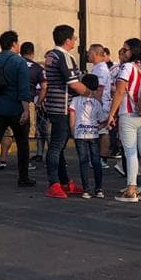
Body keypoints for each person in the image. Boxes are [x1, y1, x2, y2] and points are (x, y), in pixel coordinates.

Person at [0, 30, 34, 190]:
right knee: (23, 143)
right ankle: (23, 177)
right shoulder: (19, 62)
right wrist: (26, 110)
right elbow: (24, 88)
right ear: (14, 44)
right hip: (16, 108)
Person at [106, 38, 141, 204]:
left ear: (133, 51)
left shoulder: (127, 67)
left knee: (130, 152)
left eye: (125, 49)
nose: (123, 51)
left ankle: (131, 189)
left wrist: (111, 114)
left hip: (129, 112)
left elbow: (120, 92)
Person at [43, 25, 88, 198]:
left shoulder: (51, 55)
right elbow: (74, 83)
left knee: (59, 146)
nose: (75, 41)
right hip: (62, 107)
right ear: (67, 40)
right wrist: (92, 95)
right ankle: (54, 183)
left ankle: (63, 182)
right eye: (74, 38)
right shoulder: (63, 56)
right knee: (56, 147)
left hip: (53, 105)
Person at [69, 73, 106, 198]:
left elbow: (72, 118)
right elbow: (102, 120)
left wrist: (73, 131)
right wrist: (97, 127)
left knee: (83, 161)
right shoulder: (97, 102)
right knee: (96, 161)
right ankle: (99, 189)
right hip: (93, 134)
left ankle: (86, 190)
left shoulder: (75, 100)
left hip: (79, 133)